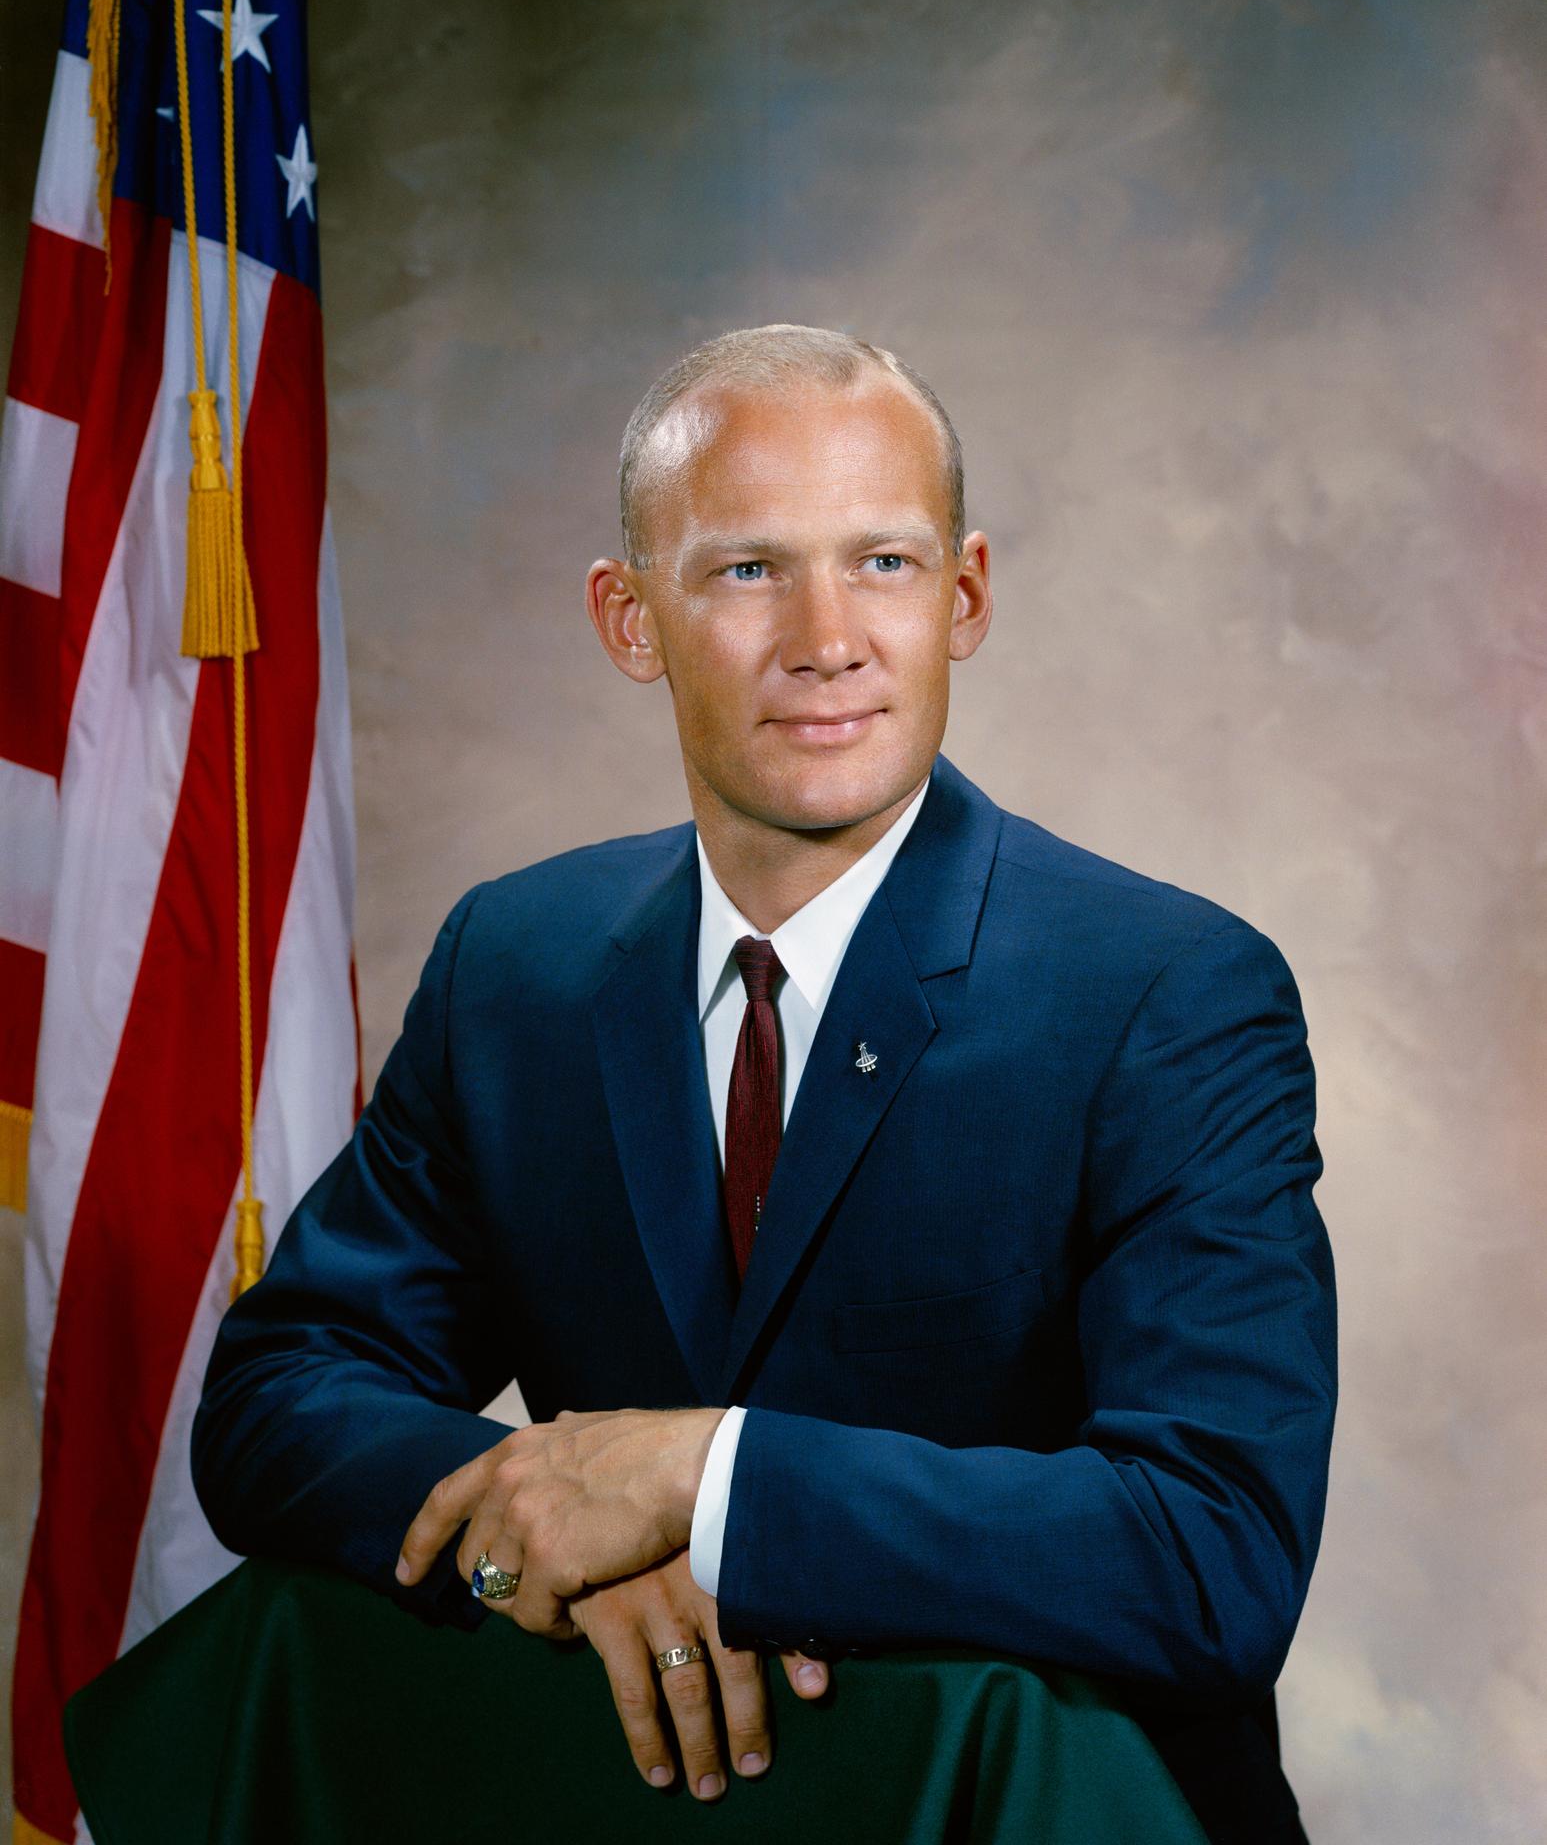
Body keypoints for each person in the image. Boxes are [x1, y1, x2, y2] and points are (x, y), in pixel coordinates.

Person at [191, 323, 1337, 1845]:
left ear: (967, 596)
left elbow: (1213, 1553)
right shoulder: (514, 968)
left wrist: (702, 1486)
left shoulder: (1168, 996)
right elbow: (274, 1399)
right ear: (628, 618)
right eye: (745, 570)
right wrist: (544, 1538)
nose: (826, 636)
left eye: (885, 563)